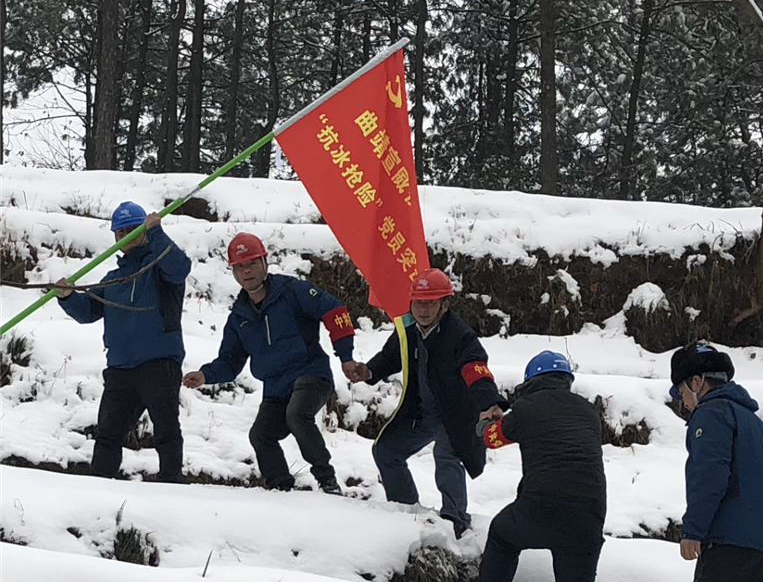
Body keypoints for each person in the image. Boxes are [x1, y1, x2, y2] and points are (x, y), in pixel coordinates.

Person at [182, 233, 358, 495]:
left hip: (311, 375)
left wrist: (346, 357)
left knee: (297, 414)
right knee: (260, 435)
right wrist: (205, 375)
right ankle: (280, 490)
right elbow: (230, 362)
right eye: (239, 267)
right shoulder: (238, 316)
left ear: (265, 262)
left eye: (252, 263)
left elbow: (335, 311)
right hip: (276, 388)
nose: (247, 271)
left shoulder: (293, 291)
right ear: (233, 272)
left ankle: (327, 481)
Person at [345, 268, 504, 537]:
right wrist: (368, 372)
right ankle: (406, 511)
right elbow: (390, 357)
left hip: (454, 416)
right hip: (419, 413)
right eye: (418, 302)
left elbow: (475, 369)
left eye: (430, 303)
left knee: (447, 456)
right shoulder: (407, 330)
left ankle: (455, 521)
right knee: (386, 451)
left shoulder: (460, 336)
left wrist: (489, 402)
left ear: (445, 304)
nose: (423, 309)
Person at [55, 202, 191, 483]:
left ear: (144, 229)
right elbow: (89, 311)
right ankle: (100, 484)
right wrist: (68, 296)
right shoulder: (113, 279)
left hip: (159, 363)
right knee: (107, 433)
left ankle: (172, 485)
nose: (126, 235)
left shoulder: (160, 267)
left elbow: (179, 267)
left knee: (166, 430)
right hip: (120, 368)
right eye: (121, 231)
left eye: (133, 229)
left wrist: (157, 234)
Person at [474, 350, 606, 582]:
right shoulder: (589, 411)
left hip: (542, 506)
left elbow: (491, 439)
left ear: (529, 382)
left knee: (502, 534)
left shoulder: (527, 408)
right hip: (590, 515)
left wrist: (485, 423)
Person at [670, 342, 763, 582]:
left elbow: (709, 475)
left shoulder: (711, 414)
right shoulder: (754, 422)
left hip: (726, 542)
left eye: (680, 392)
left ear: (696, 381)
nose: (683, 402)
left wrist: (693, 529)